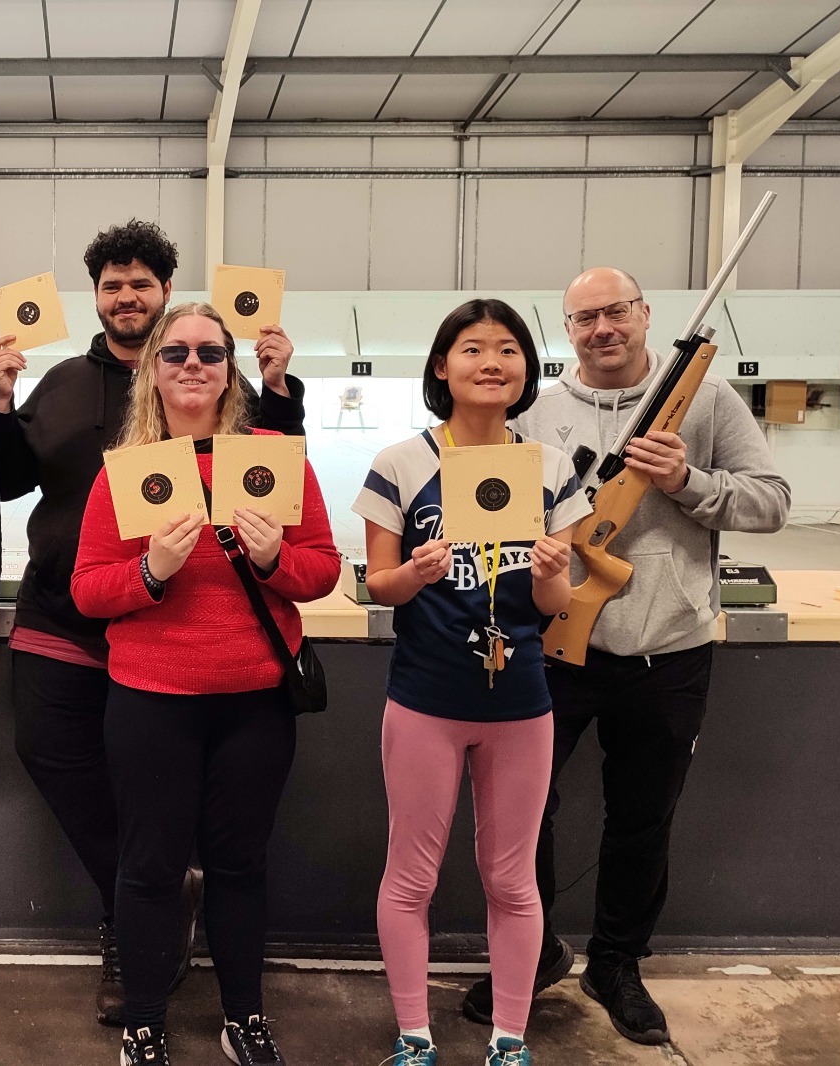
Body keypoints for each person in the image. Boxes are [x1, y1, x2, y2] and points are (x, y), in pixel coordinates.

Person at [0, 218, 306, 1024]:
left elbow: (279, 484)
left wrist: (277, 387)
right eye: (112, 285)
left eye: (142, 284)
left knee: (168, 807)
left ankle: (133, 941)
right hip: (69, 610)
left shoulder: (223, 393)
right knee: (51, 756)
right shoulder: (58, 382)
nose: (127, 297)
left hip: (174, 635)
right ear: (96, 298)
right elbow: (8, 481)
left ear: (166, 295)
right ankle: (140, 905)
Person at [462, 269, 790, 1045]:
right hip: (552, 651)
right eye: (585, 317)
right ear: (567, 330)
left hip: (666, 651)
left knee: (642, 818)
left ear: (645, 316)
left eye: (616, 311)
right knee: (520, 813)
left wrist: (687, 481)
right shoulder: (535, 413)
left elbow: (772, 501)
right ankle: (533, 951)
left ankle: (617, 964)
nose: (602, 327)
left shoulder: (706, 401)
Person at [72, 302, 339, 1066]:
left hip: (254, 701)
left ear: (231, 370)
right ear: (151, 371)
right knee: (149, 866)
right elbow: (89, 589)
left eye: (211, 354)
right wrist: (151, 569)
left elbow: (319, 567)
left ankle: (244, 1017)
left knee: (240, 864)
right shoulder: (128, 469)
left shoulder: (274, 457)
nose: (194, 365)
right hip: (152, 700)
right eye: (177, 352)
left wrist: (270, 563)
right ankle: (146, 1018)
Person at [353, 299, 591, 1066]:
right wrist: (414, 574)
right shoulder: (400, 462)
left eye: (508, 349)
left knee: (512, 880)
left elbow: (555, 608)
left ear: (526, 370)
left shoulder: (550, 469)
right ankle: (413, 1035)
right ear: (441, 367)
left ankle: (509, 1040)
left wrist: (555, 574)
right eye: (472, 347)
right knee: (411, 876)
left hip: (522, 704)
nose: (492, 361)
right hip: (425, 701)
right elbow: (378, 587)